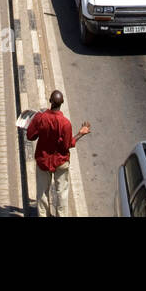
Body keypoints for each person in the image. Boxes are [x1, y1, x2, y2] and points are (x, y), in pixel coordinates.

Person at [25, 89, 91, 217]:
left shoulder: (40, 118)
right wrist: (80, 134)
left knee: (42, 193)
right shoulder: (65, 124)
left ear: (50, 101)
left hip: (43, 161)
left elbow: (30, 136)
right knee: (62, 193)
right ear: (62, 103)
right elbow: (67, 145)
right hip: (60, 162)